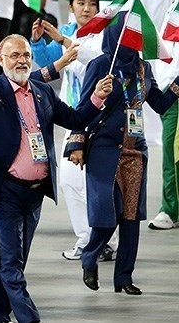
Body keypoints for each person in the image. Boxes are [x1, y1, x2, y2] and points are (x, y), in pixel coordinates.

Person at [0, 34, 112, 323]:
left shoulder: (42, 91)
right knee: (11, 261)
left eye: (26, 55)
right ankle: (29, 318)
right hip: (5, 189)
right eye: (14, 56)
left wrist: (97, 97)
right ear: (2, 59)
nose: (21, 61)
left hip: (35, 191)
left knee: (18, 259)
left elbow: (74, 118)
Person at [67, 16, 179, 296]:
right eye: (128, 35)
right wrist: (76, 143)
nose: (132, 41)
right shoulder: (101, 65)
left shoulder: (143, 67)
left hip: (135, 151)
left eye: (136, 37)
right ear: (116, 35)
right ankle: (90, 256)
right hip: (105, 147)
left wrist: (178, 82)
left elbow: (160, 103)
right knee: (109, 212)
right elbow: (82, 108)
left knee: (131, 216)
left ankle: (124, 278)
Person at [29, 0, 115, 260]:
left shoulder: (105, 35)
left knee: (98, 183)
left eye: (91, 3)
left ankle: (104, 241)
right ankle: (87, 239)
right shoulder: (66, 32)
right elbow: (47, 67)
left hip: (98, 118)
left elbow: (96, 60)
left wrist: (64, 42)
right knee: (69, 180)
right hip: (73, 116)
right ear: (71, 7)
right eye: (80, 3)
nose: (87, 8)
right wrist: (40, 41)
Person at [150, 0, 179, 230]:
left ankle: (170, 209)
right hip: (167, 88)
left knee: (171, 149)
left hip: (175, 91)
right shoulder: (174, 4)